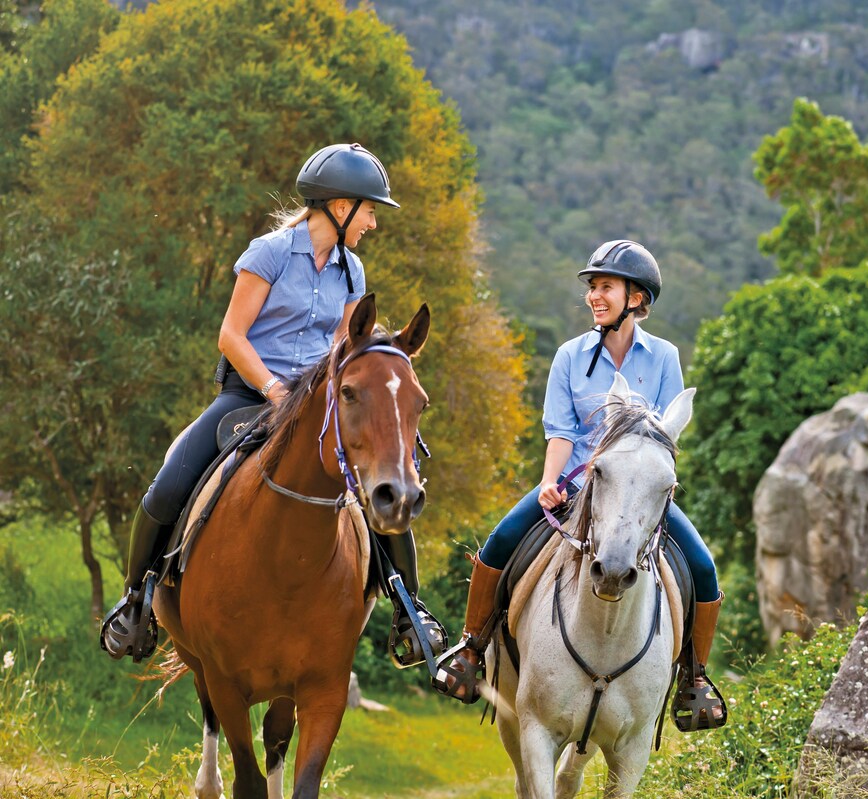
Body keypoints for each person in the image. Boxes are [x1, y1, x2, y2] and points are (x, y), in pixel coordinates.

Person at [100, 143, 439, 664]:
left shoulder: (354, 273)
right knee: (169, 485)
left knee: (382, 482)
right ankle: (135, 602)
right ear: (341, 207)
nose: (373, 222)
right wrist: (274, 389)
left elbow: (342, 350)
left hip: (317, 404)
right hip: (249, 396)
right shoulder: (270, 253)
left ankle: (409, 610)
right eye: (370, 210)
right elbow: (231, 335)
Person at [432, 239, 726, 729]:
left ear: (636, 298)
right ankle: (472, 648)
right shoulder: (570, 356)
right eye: (593, 287)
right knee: (500, 541)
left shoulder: (664, 358)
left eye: (605, 286)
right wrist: (549, 482)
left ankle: (694, 679)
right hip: (576, 482)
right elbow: (562, 432)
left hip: (638, 492)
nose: (595, 295)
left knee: (704, 567)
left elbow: (666, 436)